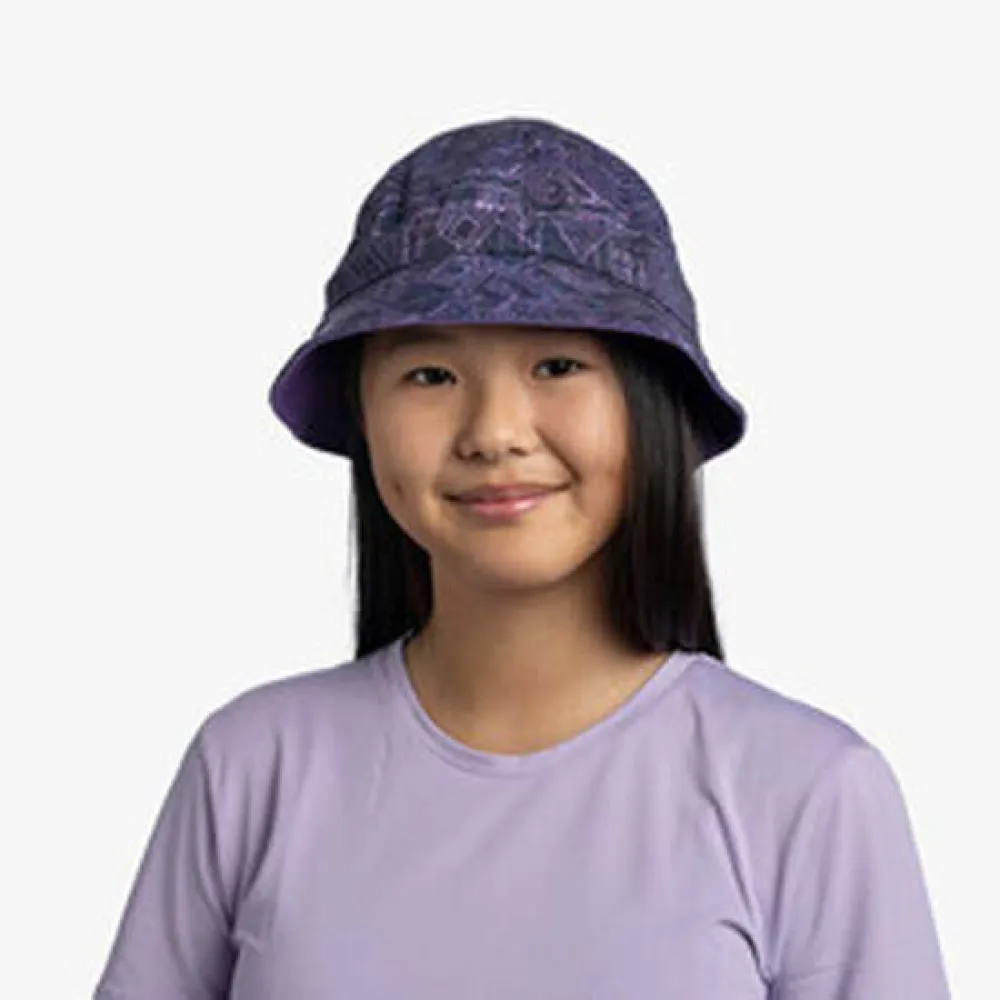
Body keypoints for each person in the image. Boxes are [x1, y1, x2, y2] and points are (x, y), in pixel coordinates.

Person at [93, 117, 952, 999]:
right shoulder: (252, 768)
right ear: (365, 419)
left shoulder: (806, 791)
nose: (495, 433)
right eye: (430, 375)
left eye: (557, 365)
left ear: (651, 406)